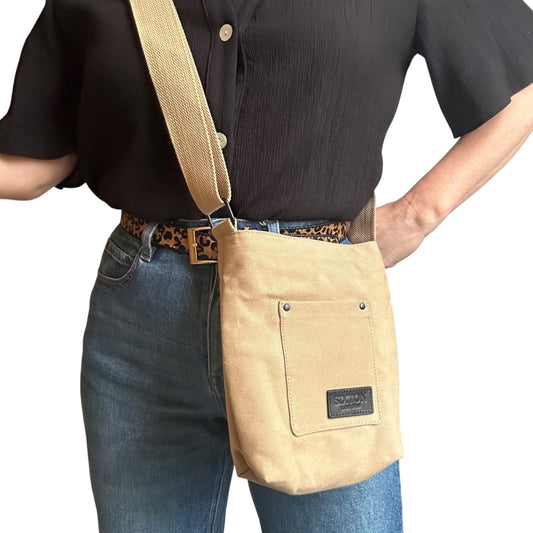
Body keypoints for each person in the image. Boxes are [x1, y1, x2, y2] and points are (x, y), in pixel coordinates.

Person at [1, 0, 533, 531]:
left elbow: (522, 83)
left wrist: (416, 216)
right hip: (143, 316)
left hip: (314, 309)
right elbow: (38, 162)